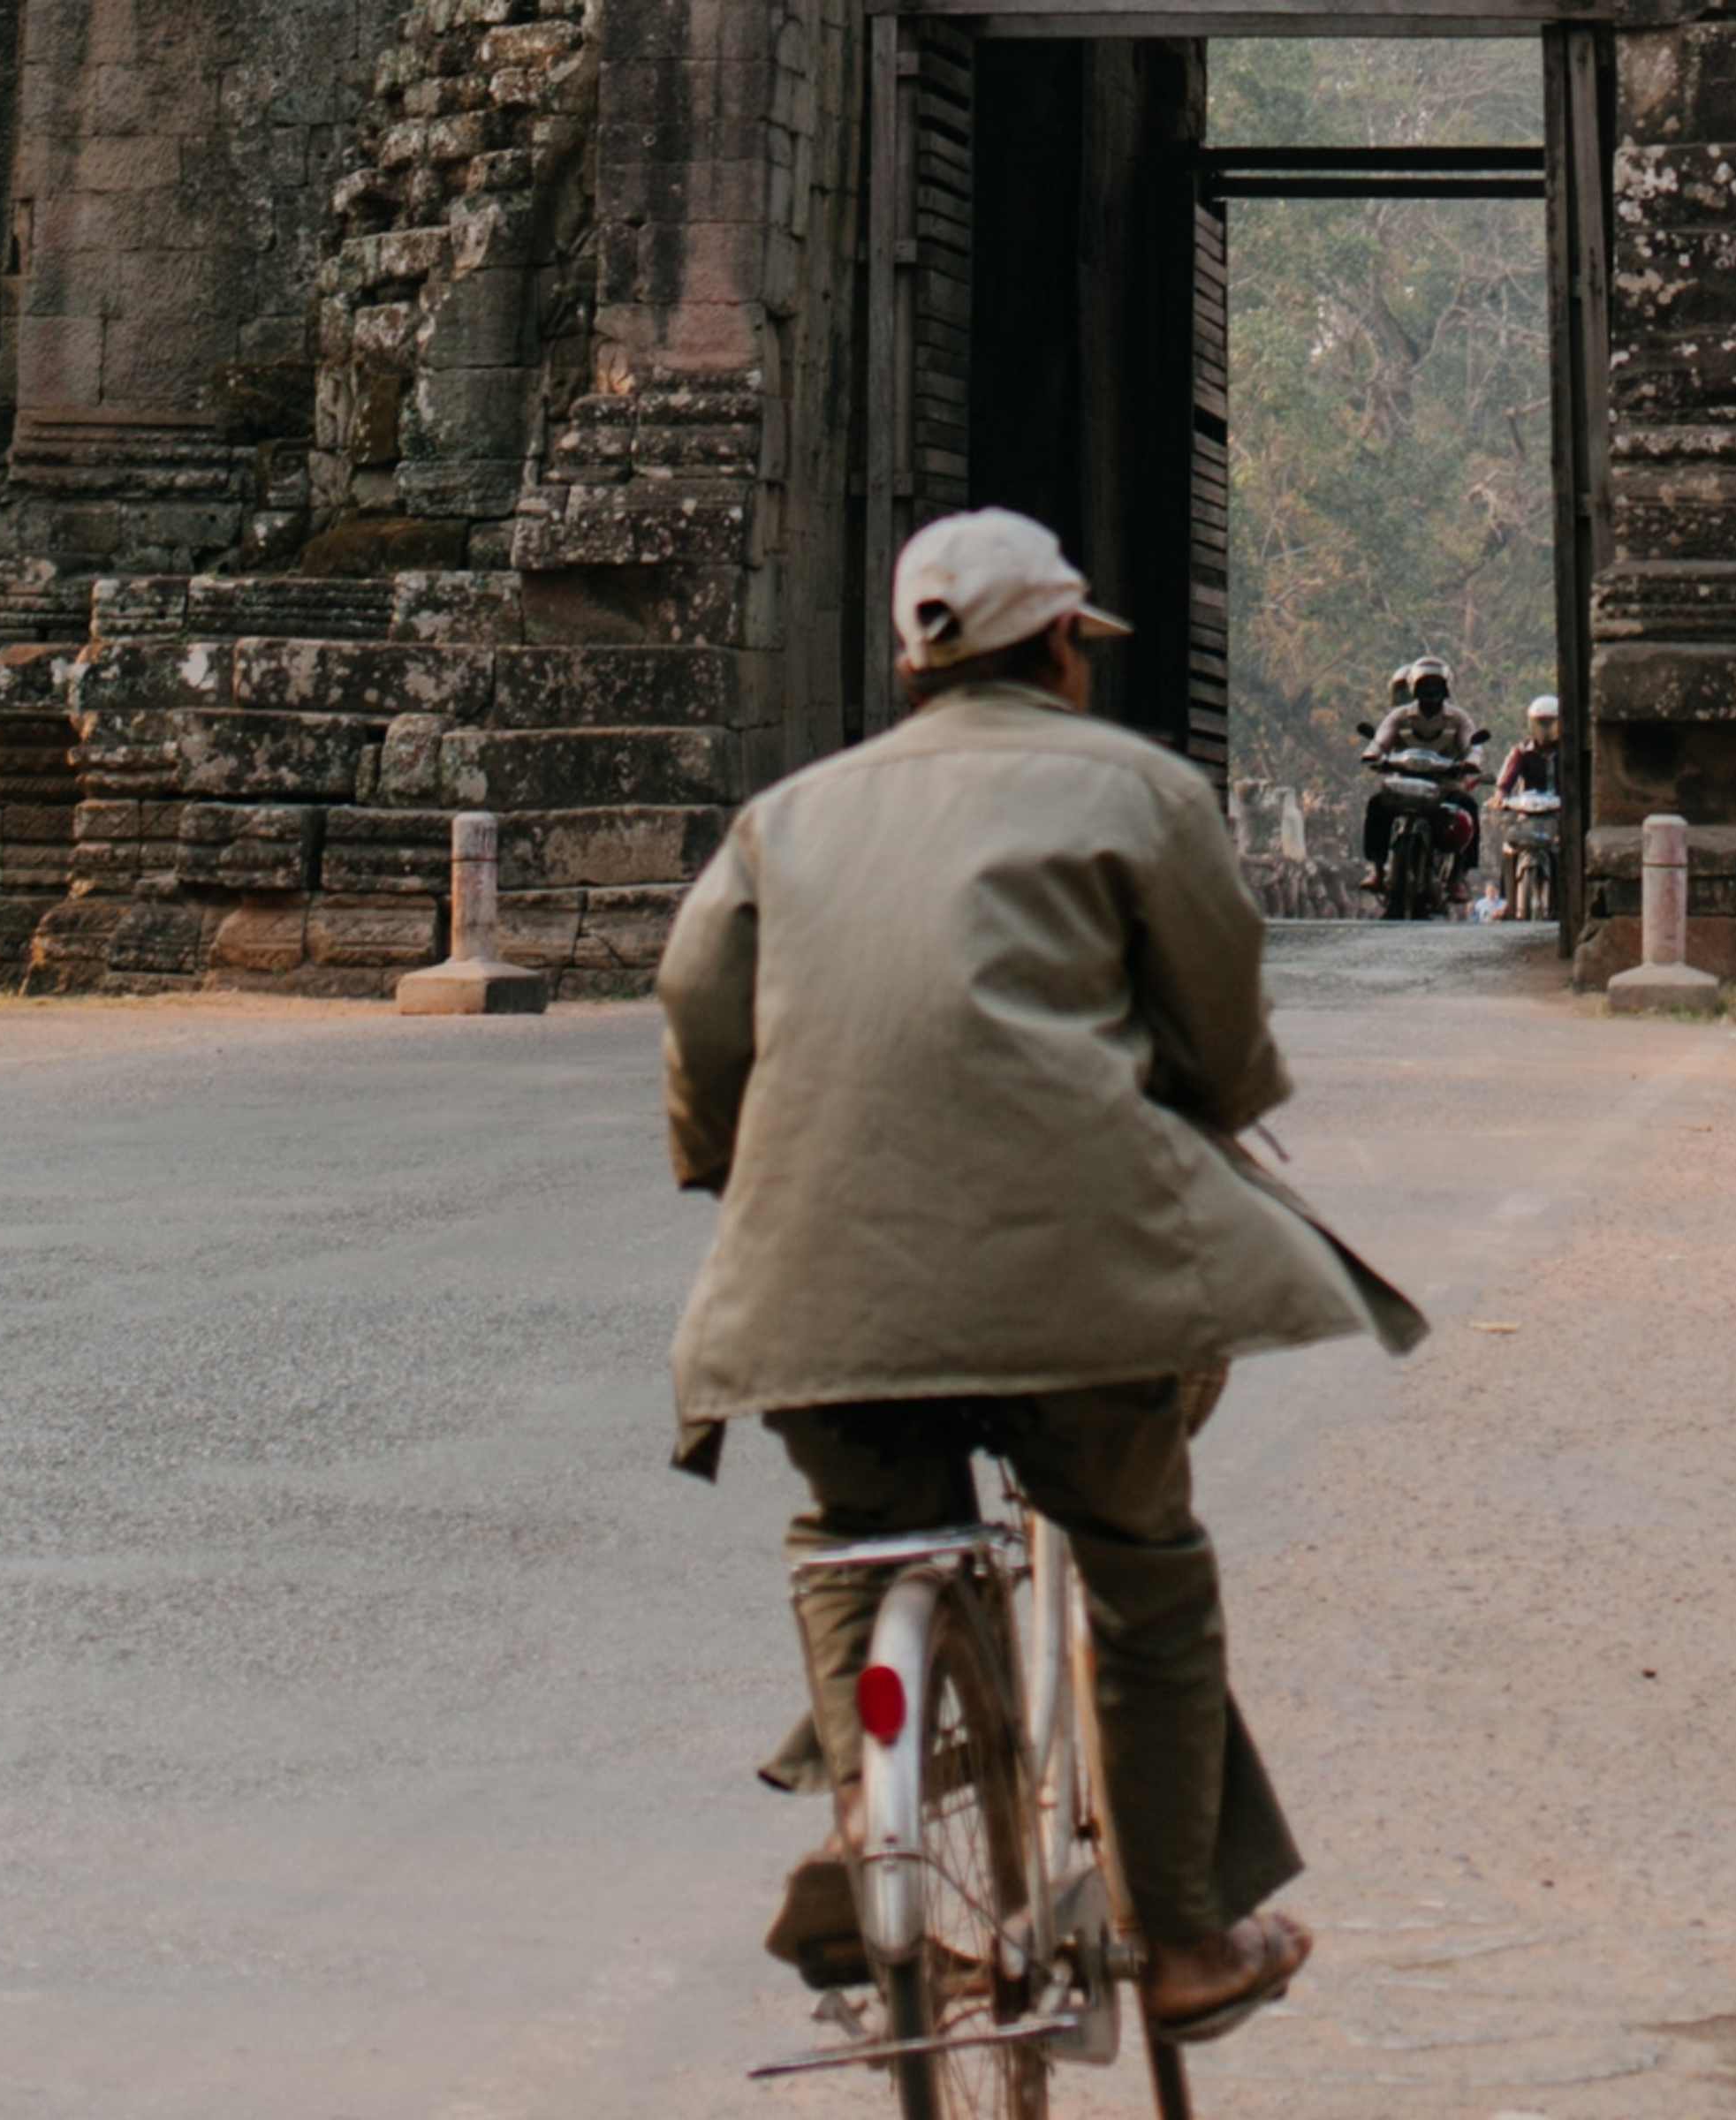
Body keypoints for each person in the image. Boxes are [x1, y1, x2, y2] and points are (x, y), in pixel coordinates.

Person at [656, 508, 1427, 2046]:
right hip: (1080, 1280)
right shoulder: (1136, 788)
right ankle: (1191, 1942)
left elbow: (697, 997)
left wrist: (738, 1168)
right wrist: (1208, 1107)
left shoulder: (788, 820)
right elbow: (1218, 1041)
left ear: (912, 662)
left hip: (816, 1286)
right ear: (1065, 648)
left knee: (857, 1533)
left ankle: (854, 1840)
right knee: (1139, 1561)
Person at [1355, 657, 1483, 897]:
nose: (1431, 692)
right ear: (1414, 687)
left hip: (1444, 786)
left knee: (1468, 807)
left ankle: (1458, 875)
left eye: (1437, 685)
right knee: (1376, 806)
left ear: (1446, 688)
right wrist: (1373, 755)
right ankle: (1377, 870)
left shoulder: (1458, 718)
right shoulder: (1399, 716)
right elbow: (1380, 740)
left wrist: (1471, 761)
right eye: (1425, 685)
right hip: (1403, 785)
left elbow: (1472, 744)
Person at [1495, 693, 1562, 804]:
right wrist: (1500, 796)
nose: (1545, 729)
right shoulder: (1523, 750)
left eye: (1550, 723)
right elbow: (1506, 781)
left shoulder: (1571, 750)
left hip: (1568, 812)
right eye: (1541, 723)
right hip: (1530, 811)